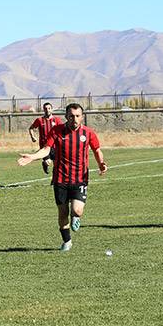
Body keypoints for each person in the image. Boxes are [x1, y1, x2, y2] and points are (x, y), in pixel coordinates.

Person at [18, 103, 107, 252]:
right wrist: (32, 157)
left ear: (82, 117)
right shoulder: (57, 131)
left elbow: (97, 150)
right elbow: (46, 149)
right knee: (63, 213)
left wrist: (101, 164)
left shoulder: (88, 133)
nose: (75, 119)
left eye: (78, 116)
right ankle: (67, 241)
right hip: (60, 179)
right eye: (71, 116)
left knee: (77, 211)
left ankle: (76, 217)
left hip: (80, 178)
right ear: (66, 117)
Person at [28, 102, 63, 174]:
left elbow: (62, 130)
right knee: (48, 162)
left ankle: (55, 179)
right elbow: (31, 128)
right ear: (43, 110)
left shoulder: (57, 120)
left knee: (57, 164)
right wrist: (32, 137)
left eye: (49, 108)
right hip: (44, 146)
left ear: (51, 109)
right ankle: (45, 164)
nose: (47, 110)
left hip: (55, 146)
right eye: (45, 108)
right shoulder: (39, 120)